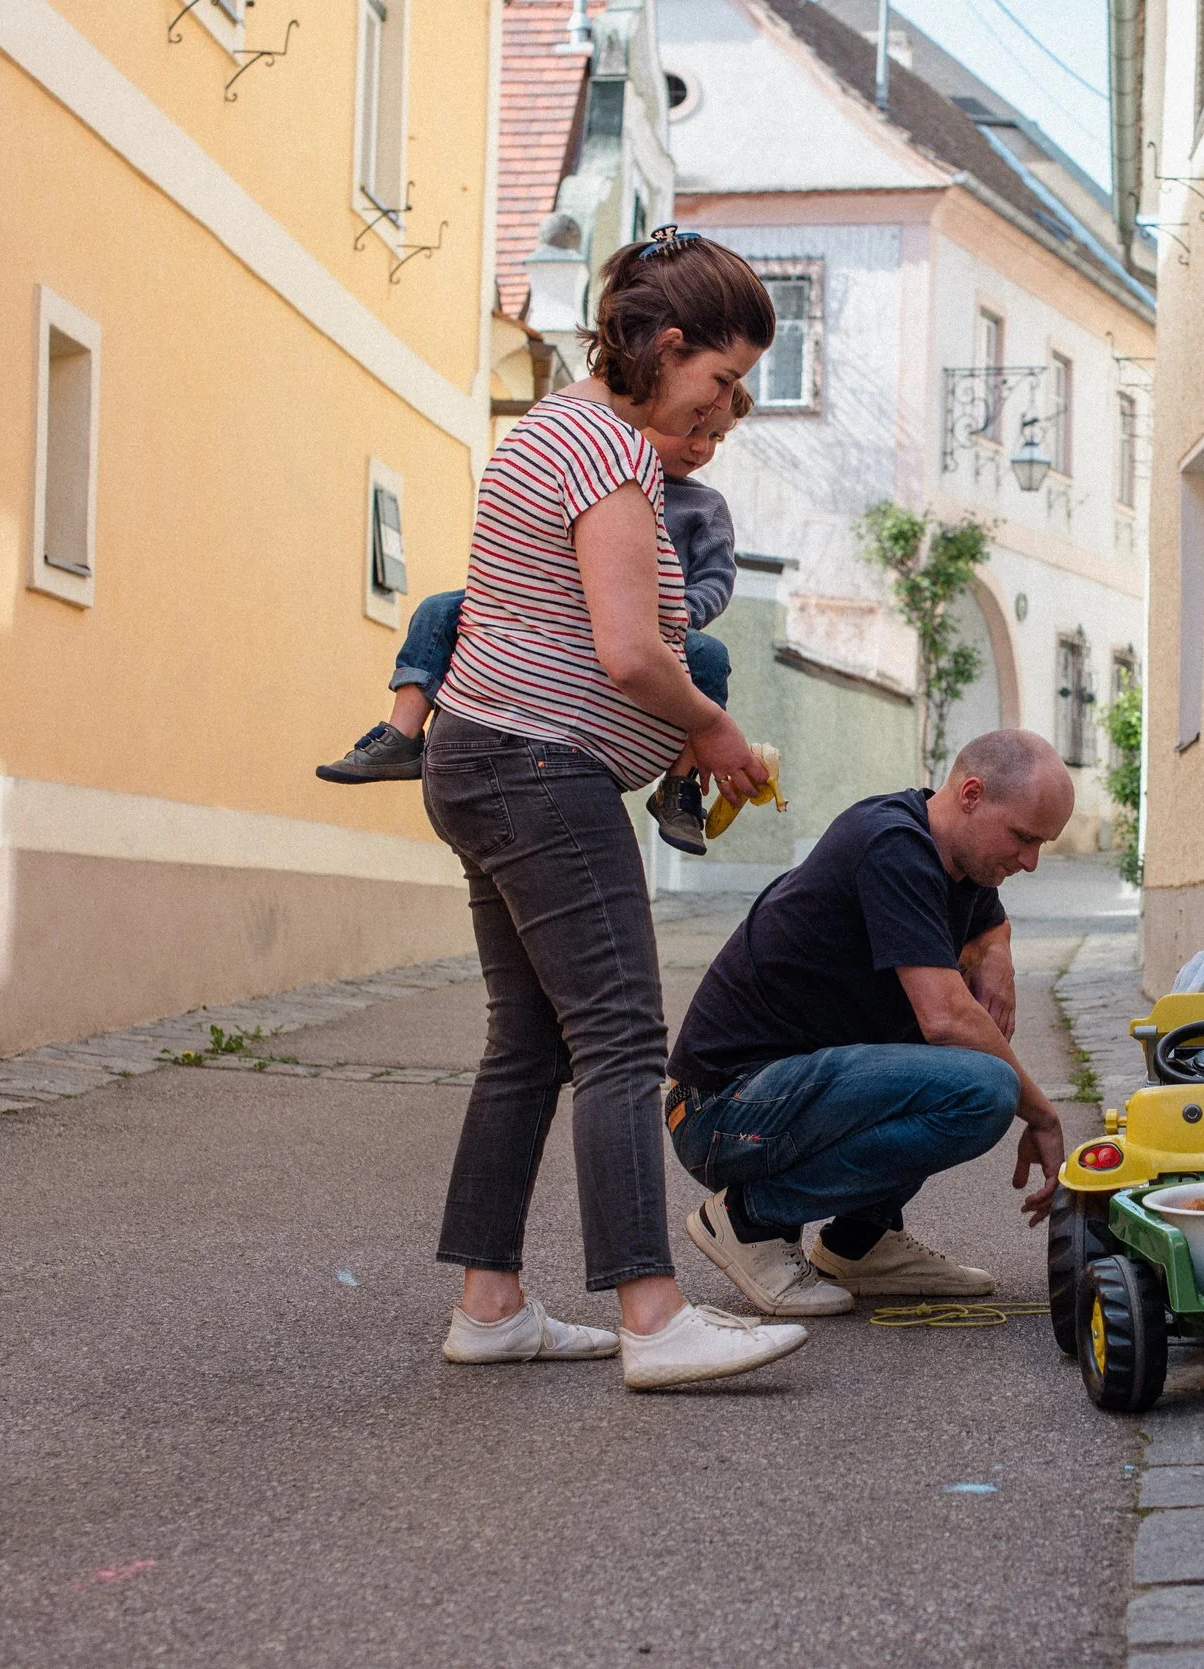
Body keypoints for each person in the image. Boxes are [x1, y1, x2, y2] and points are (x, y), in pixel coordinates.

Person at [421, 225, 802, 1390]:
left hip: (482, 756)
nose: (727, 410)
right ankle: (654, 1314)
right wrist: (716, 729)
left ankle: (491, 1304)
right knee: (623, 1039)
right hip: (541, 770)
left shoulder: (552, 429)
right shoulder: (609, 454)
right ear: (666, 345)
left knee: (527, 1045)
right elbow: (632, 655)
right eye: (723, 381)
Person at [661, 730, 1076, 1317]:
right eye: (1024, 838)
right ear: (972, 795)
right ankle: (747, 1221)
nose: (1030, 862)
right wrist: (1044, 1113)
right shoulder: (892, 846)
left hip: (778, 1092)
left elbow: (988, 920)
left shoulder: (959, 858)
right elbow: (943, 1016)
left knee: (965, 1054)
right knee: (983, 1088)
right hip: (721, 1109)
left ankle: (862, 1241)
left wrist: (997, 957)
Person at [316, 384, 753, 853]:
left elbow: (715, 579)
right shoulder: (599, 459)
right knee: (438, 608)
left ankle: (679, 787)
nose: (700, 447)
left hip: (646, 632)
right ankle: (401, 734)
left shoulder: (705, 507)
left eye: (716, 437)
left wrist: (681, 611)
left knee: (710, 659)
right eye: (694, 428)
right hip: (546, 609)